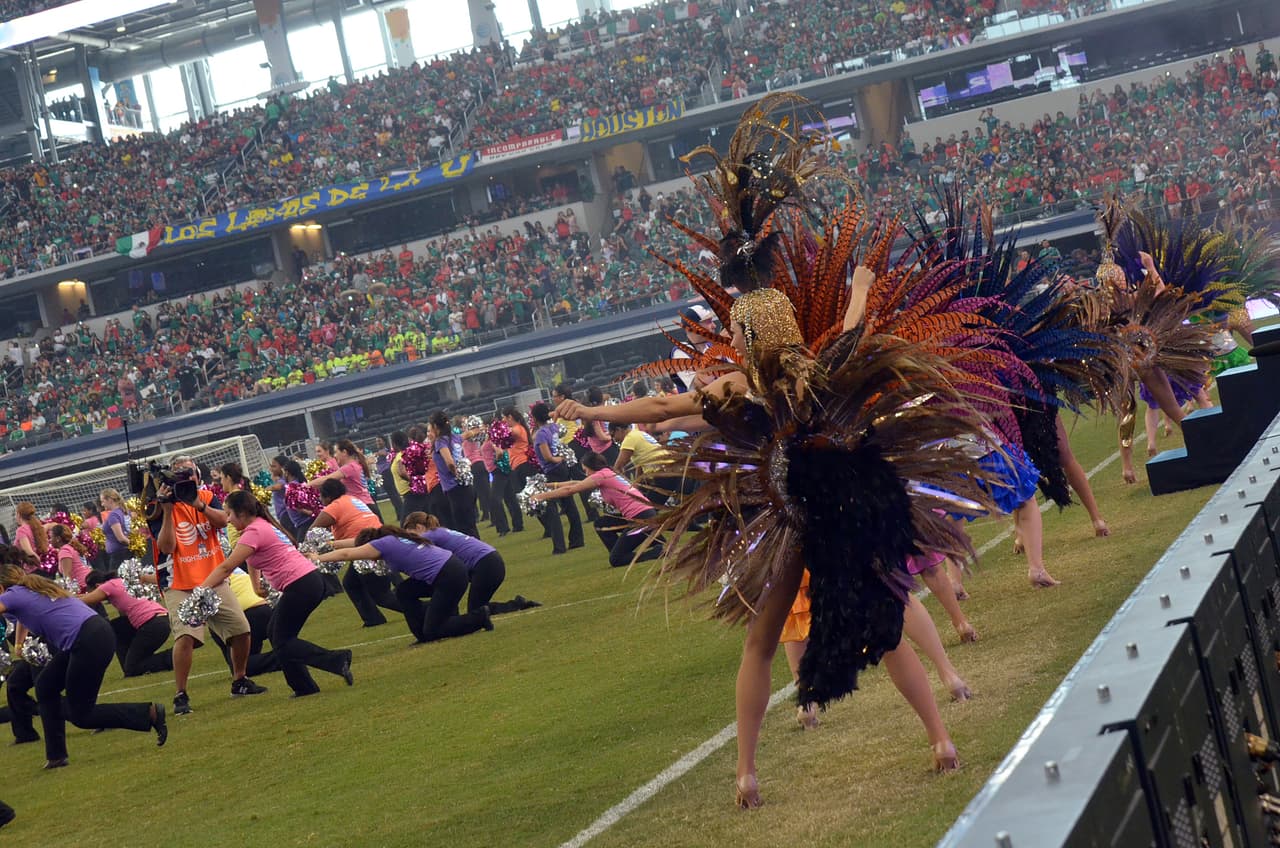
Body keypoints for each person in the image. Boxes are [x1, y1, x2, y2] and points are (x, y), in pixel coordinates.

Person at [0, 558, 167, 768]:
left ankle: (148, 713)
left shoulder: (13, 594)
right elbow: (22, 618)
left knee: (81, 714)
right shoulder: (30, 590)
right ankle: (56, 755)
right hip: (92, 633)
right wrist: (19, 643)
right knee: (45, 686)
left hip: (87, 640)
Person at [196, 491, 353, 698]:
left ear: (242, 513)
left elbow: (226, 567)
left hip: (301, 584)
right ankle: (304, 687)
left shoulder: (254, 531)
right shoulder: (259, 526)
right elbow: (252, 560)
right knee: (276, 634)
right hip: (307, 581)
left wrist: (200, 590)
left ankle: (336, 660)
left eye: (229, 514)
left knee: (282, 640)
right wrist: (255, 586)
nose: (228, 520)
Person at [156, 455, 266, 715]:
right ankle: (180, 694)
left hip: (212, 576)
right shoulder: (159, 505)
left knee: (241, 630)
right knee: (186, 636)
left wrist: (198, 504)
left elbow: (223, 521)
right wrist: (168, 510)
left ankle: (239, 680)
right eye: (180, 475)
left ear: (197, 474)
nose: (186, 478)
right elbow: (167, 547)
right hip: (179, 581)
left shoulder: (206, 497)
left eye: (189, 473)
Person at [312, 526, 493, 644]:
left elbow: (347, 554)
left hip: (448, 577)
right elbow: (353, 544)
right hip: (451, 570)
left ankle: (479, 617)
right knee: (404, 591)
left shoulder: (382, 544)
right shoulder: (392, 538)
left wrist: (317, 558)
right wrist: (329, 544)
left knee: (434, 630)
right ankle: (421, 634)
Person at [533, 452, 663, 568]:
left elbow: (570, 490)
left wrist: (541, 496)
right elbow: (575, 483)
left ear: (592, 467)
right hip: (643, 515)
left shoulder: (601, 476)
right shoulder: (606, 473)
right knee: (601, 524)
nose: (586, 474)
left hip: (641, 519)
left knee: (616, 560)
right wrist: (548, 485)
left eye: (586, 470)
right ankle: (621, 551)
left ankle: (657, 552)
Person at [402, 512, 536, 613]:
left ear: (419, 527)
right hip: (490, 560)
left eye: (410, 533)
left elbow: (410, 548)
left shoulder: (430, 535)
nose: (410, 537)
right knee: (477, 608)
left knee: (476, 611)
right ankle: (517, 603)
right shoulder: (439, 531)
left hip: (486, 565)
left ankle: (517, 604)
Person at [314, 478, 400, 627]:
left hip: (367, 548)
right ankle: (373, 619)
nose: (320, 500)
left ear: (328, 496)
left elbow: (313, 531)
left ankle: (423, 609)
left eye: (321, 496)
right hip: (377, 541)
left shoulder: (334, 507)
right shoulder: (351, 499)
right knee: (351, 583)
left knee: (382, 596)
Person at [78, 571, 174, 677]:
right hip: (161, 618)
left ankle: (173, 656)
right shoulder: (118, 582)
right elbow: (85, 597)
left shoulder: (107, 587)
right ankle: (129, 663)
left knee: (133, 668)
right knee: (116, 627)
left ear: (97, 586)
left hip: (152, 624)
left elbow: (85, 600)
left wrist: (66, 599)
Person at [529, 402, 584, 555]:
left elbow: (548, 457)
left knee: (551, 509)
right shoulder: (553, 427)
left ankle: (559, 546)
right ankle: (577, 540)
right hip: (562, 468)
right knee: (569, 505)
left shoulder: (541, 434)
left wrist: (558, 458)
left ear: (534, 418)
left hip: (552, 470)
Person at [208, 569, 279, 678]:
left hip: (246, 613)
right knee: (247, 658)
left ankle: (285, 657)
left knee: (240, 667)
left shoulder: (202, 577)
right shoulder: (228, 568)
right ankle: (287, 655)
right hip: (266, 607)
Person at [429, 411, 478, 538]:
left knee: (463, 527)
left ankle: (472, 549)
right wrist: (476, 430)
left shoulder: (440, 442)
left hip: (454, 488)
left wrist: (456, 473)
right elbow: (467, 435)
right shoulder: (454, 437)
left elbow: (449, 462)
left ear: (435, 426)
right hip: (466, 486)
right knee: (471, 525)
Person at [100, 488, 132, 568]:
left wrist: (132, 545)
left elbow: (121, 538)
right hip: (125, 553)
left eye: (103, 501)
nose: (102, 504)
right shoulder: (123, 511)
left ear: (110, 500)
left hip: (118, 556)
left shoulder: (113, 515)